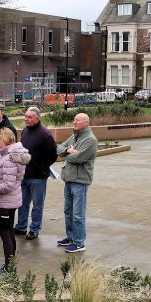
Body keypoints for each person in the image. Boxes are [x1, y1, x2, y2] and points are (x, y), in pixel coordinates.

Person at [0, 128, 30, 272]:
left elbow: (7, 185)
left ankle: (9, 268)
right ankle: (11, 265)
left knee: (6, 234)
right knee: (8, 232)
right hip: (10, 200)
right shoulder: (11, 155)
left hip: (6, 202)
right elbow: (3, 179)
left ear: (5, 139)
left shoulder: (9, 159)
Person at [14, 107, 58, 241]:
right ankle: (21, 226)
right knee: (22, 203)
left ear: (37, 118)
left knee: (37, 205)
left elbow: (53, 154)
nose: (26, 119)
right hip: (24, 175)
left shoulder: (45, 134)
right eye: (25, 116)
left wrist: (42, 167)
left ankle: (34, 229)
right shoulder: (25, 131)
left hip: (38, 177)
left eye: (29, 117)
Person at [56, 113, 97, 253]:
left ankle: (79, 243)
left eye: (77, 120)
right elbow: (58, 149)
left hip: (80, 182)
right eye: (74, 120)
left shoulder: (90, 140)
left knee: (78, 214)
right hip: (69, 180)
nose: (74, 122)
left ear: (86, 122)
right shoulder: (74, 136)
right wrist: (68, 150)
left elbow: (79, 158)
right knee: (68, 211)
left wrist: (66, 155)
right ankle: (71, 237)